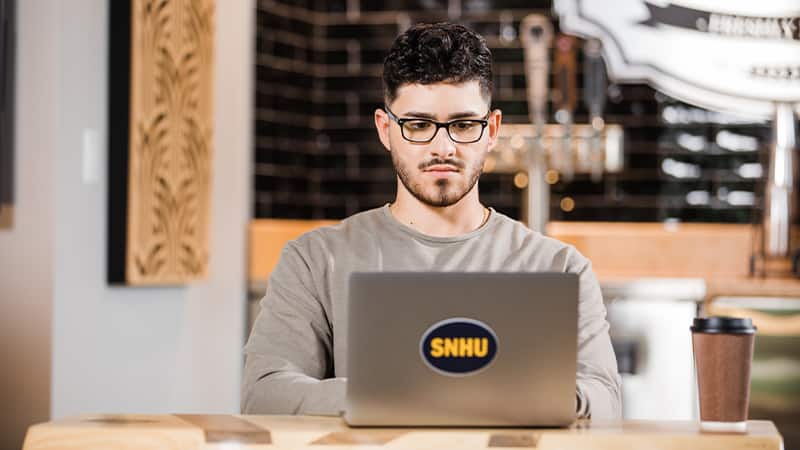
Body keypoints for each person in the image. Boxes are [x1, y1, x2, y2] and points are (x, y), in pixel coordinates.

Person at [242, 22, 621, 419]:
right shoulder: (315, 261)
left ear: (491, 130)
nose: (443, 147)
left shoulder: (559, 268)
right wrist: (406, 394)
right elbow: (265, 392)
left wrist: (506, 396)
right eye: (419, 125)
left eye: (462, 125)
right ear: (385, 129)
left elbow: (604, 399)